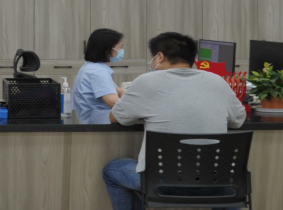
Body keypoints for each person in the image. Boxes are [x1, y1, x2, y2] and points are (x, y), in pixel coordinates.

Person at [104, 32, 247, 210]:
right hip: (218, 184)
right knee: (229, 182)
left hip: (162, 184)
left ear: (160, 56)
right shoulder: (217, 81)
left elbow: (115, 117)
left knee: (112, 170)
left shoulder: (146, 81)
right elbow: (238, 120)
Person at [73, 28, 128, 124]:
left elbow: (119, 91)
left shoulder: (92, 67)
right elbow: (114, 103)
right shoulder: (98, 72)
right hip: (99, 124)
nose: (121, 50)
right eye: (120, 47)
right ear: (108, 49)